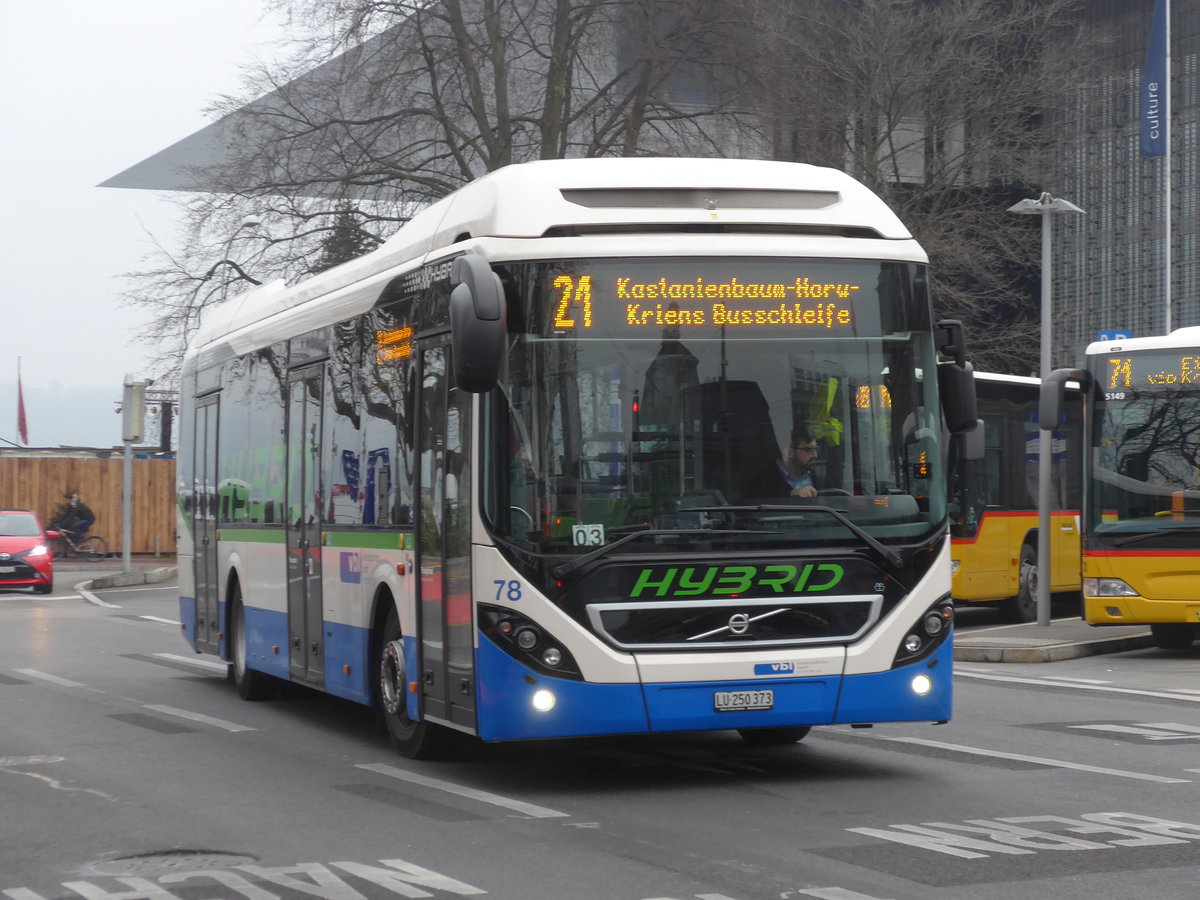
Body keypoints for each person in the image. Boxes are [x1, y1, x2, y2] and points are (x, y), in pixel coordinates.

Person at [779, 427, 822, 498]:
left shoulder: (814, 476)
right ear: (789, 452)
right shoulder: (767, 478)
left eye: (815, 449)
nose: (815, 455)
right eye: (808, 449)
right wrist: (791, 494)